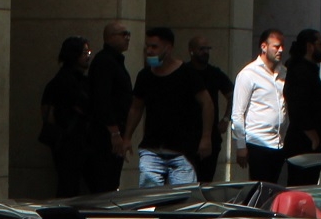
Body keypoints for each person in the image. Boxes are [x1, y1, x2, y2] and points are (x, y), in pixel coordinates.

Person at [125, 26, 216, 188]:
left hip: (182, 151)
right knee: (149, 199)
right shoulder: (145, 75)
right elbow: (136, 108)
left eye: (154, 47)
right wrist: (127, 137)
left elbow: (207, 103)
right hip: (152, 149)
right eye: (147, 46)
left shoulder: (187, 73)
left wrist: (206, 137)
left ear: (168, 48)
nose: (149, 51)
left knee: (182, 200)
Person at [38, 36, 97, 198]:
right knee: (70, 186)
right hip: (71, 141)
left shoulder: (66, 80)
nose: (88, 56)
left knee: (70, 185)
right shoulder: (67, 82)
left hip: (69, 141)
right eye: (85, 52)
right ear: (74, 54)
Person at [231, 27, 290, 183]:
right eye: (276, 46)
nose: (281, 50)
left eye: (282, 46)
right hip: (257, 142)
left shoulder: (284, 73)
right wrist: (241, 146)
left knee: (273, 188)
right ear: (264, 47)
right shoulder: (248, 74)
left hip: (278, 143)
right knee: (259, 188)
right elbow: (237, 113)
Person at [86, 20, 135, 192]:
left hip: (115, 130)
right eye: (123, 34)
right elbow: (102, 99)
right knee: (104, 180)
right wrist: (114, 132)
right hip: (104, 133)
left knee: (111, 180)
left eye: (129, 34)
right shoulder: (104, 62)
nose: (128, 38)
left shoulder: (115, 61)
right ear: (109, 38)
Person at [282, 29, 321, 163]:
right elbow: (297, 107)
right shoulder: (300, 71)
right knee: (302, 182)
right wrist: (313, 136)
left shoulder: (309, 70)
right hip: (302, 142)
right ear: (310, 46)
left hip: (309, 140)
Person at [188, 37, 233, 179]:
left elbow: (233, 95)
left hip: (210, 137)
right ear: (191, 51)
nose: (205, 52)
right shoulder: (184, 72)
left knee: (205, 180)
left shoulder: (215, 73)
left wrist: (226, 119)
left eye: (208, 49)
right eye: (201, 49)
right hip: (186, 137)